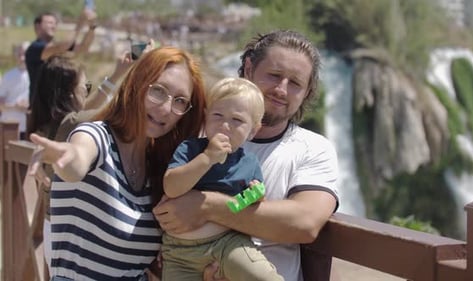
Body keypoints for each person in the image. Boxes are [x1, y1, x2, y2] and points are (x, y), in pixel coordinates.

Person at [153, 30, 340, 281]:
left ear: (306, 92)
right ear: (249, 68)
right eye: (274, 75)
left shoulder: (313, 148)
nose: (281, 90)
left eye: (295, 83)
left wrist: (206, 206)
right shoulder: (199, 136)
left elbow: (304, 223)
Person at [28, 46, 206, 280]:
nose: (165, 109)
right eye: (158, 91)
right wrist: (64, 156)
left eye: (180, 100)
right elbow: (78, 157)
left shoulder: (158, 166)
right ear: (136, 84)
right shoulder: (97, 137)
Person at [162, 77, 283, 280]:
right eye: (217, 115)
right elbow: (171, 188)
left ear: (253, 130)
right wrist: (207, 158)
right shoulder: (190, 149)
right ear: (205, 118)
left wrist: (255, 195)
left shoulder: (249, 163)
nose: (225, 125)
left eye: (237, 120)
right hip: (179, 254)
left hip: (229, 243)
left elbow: (242, 206)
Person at [26, 6, 97, 109]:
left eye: (55, 23)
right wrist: (80, 22)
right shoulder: (35, 48)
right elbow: (63, 46)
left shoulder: (59, 48)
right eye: (50, 23)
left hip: (59, 108)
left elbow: (83, 48)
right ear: (37, 26)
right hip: (41, 110)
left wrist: (92, 27)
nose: (54, 26)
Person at [0, 41, 31, 139]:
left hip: (29, 128)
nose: (22, 58)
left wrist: (29, 105)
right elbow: (1, 105)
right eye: (19, 54)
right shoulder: (8, 76)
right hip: (9, 127)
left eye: (25, 54)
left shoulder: (38, 75)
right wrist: (16, 107)